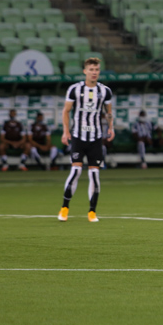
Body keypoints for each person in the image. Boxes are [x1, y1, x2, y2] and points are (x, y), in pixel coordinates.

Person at [58, 57, 114, 222]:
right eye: (91, 69)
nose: (94, 72)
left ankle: (92, 212)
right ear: (85, 71)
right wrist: (65, 131)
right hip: (78, 136)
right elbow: (66, 111)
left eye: (96, 70)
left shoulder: (105, 91)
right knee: (75, 172)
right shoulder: (74, 89)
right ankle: (64, 208)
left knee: (95, 175)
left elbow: (108, 112)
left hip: (96, 138)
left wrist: (111, 127)